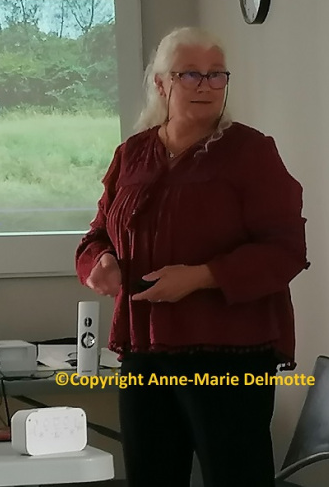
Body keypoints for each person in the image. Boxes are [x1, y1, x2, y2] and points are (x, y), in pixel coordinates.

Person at [74, 27, 308, 487]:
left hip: (228, 355)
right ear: (161, 84)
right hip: (143, 352)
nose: (205, 85)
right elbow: (96, 235)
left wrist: (201, 277)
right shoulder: (132, 154)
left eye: (216, 75)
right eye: (190, 75)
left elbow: (286, 250)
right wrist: (98, 264)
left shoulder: (250, 152)